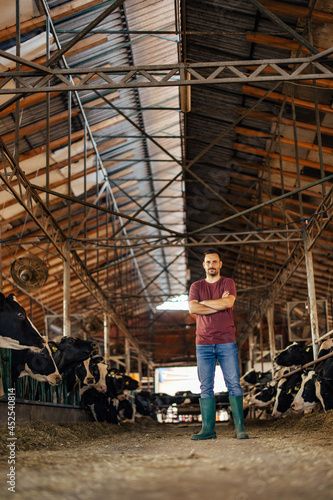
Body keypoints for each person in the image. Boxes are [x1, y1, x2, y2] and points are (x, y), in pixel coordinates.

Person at [188, 249, 248, 440]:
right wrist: (217, 302)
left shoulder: (227, 282)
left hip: (226, 340)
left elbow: (227, 303)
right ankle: (208, 429)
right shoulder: (196, 286)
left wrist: (205, 304)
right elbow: (192, 308)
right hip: (203, 342)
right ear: (203, 265)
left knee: (234, 384)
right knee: (206, 386)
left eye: (215, 262)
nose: (211, 265)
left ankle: (239, 428)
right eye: (208, 262)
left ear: (220, 264)